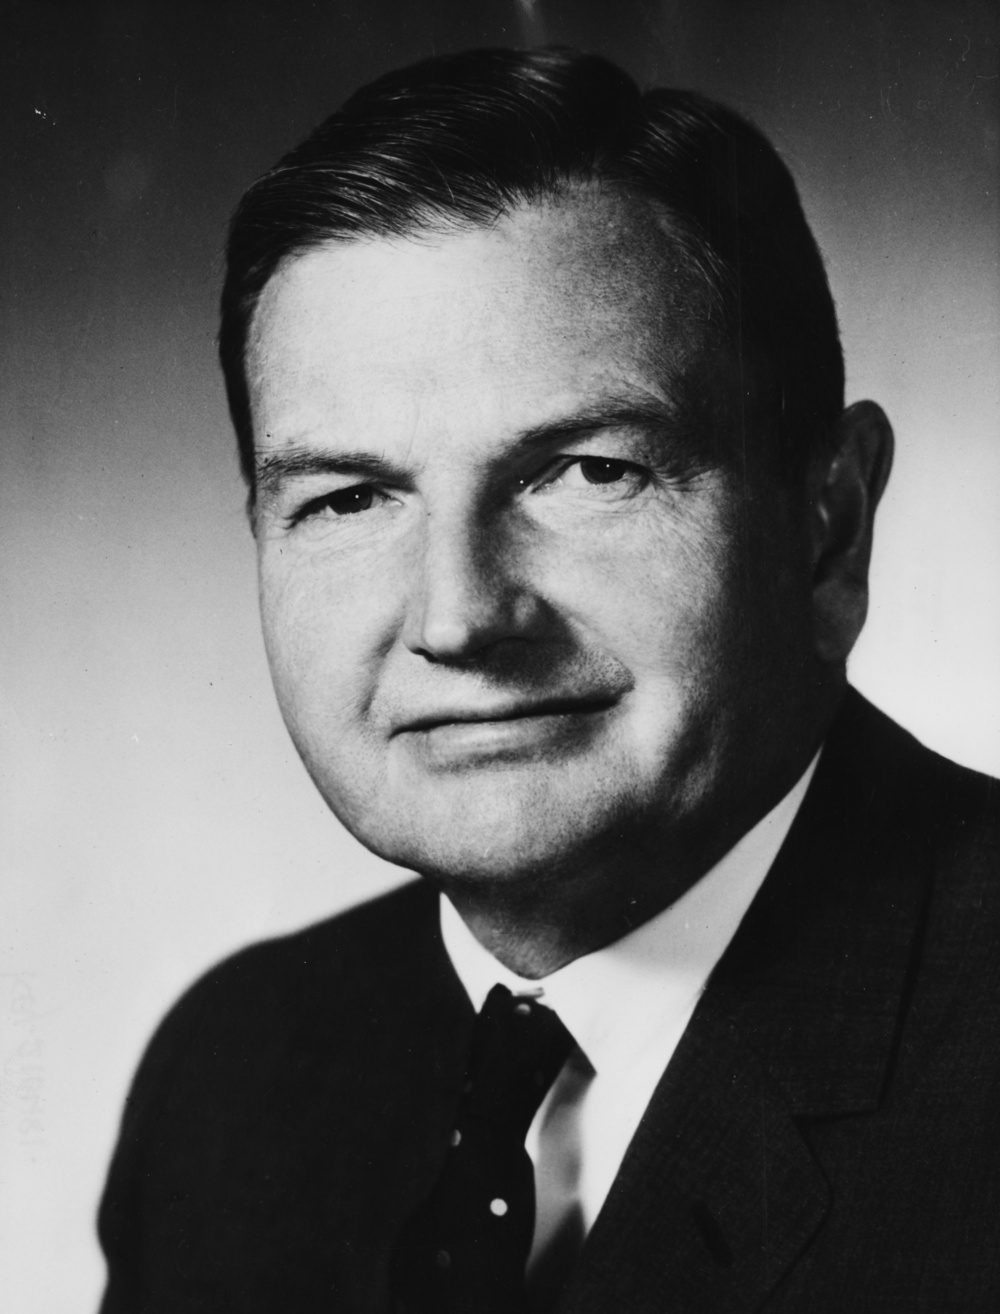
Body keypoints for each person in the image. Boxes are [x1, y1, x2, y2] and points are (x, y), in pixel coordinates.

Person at [97, 48, 999, 1313]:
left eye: (586, 472)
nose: (460, 618)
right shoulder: (237, 1076)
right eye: (350, 496)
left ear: (827, 529)